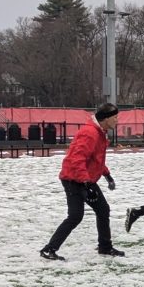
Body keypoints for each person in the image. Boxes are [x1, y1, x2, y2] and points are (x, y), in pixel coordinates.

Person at [40, 103, 124, 260]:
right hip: (73, 179)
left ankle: (105, 247)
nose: (117, 120)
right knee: (75, 216)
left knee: (103, 209)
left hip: (84, 179)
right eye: (115, 117)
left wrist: (107, 175)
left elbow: (95, 159)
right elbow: (76, 159)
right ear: (105, 119)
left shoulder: (99, 132)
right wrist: (86, 182)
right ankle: (48, 249)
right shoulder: (90, 133)